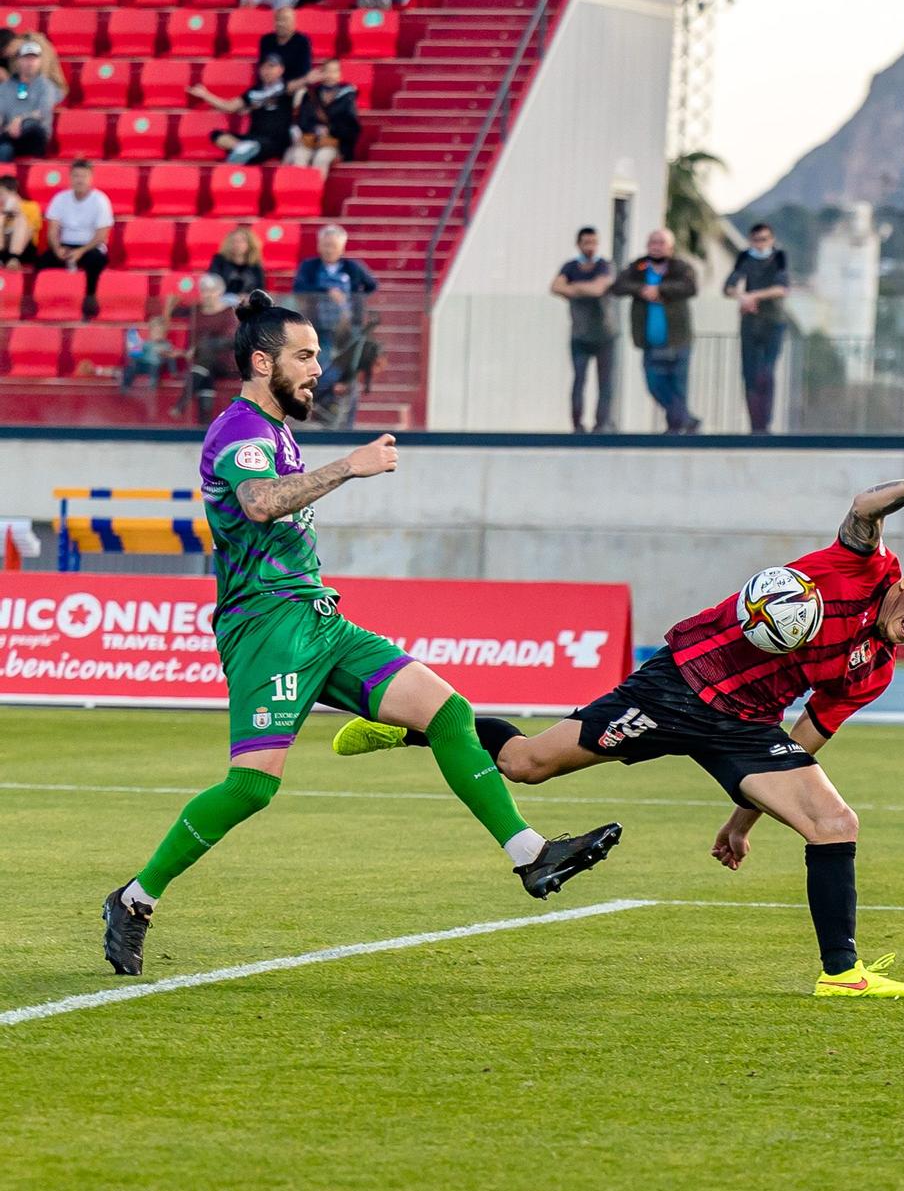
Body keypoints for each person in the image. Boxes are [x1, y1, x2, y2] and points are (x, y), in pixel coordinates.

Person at [102, 291, 623, 978]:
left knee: (448, 711)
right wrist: (350, 465)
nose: (320, 367)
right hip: (265, 626)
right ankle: (134, 899)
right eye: (305, 355)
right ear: (262, 362)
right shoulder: (238, 430)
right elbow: (259, 504)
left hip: (318, 617)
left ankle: (530, 853)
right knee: (252, 788)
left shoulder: (278, 429)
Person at [332, 464, 904, 999]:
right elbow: (864, 506)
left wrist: (743, 822)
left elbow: (807, 734)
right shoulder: (859, 565)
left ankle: (841, 972)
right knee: (528, 762)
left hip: (745, 727)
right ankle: (416, 726)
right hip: (680, 683)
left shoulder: (874, 668)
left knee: (836, 822)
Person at [612, 228, 700, 434]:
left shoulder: (680, 267)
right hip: (650, 340)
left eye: (661, 243)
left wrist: (661, 290)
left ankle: (675, 426)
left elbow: (690, 286)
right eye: (653, 242)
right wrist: (642, 290)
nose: (657, 247)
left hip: (677, 339)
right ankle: (687, 419)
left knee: (678, 385)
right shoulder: (639, 267)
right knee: (655, 384)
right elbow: (618, 286)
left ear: (670, 246)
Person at [550, 226, 619, 434]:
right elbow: (555, 287)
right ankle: (577, 424)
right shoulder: (570, 266)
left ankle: (602, 423)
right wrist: (583, 288)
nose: (590, 247)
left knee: (605, 383)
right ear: (579, 244)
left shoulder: (604, 265)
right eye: (586, 242)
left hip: (605, 334)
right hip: (580, 334)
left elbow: (599, 288)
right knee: (579, 380)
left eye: (594, 242)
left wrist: (574, 289)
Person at [723, 223, 790, 434]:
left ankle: (765, 421)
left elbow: (782, 288)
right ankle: (756, 424)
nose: (760, 244)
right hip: (751, 323)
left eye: (764, 239)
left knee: (766, 373)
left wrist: (754, 296)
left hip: (772, 321)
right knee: (750, 375)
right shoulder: (745, 258)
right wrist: (742, 297)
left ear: (771, 240)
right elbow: (729, 286)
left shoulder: (779, 257)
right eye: (756, 240)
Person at [190, 56, 298, 166]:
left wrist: (308, 78)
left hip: (275, 141)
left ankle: (244, 151)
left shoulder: (287, 89)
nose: (267, 71)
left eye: (271, 67)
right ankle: (241, 148)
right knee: (217, 135)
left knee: (261, 145)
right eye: (263, 68)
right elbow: (229, 106)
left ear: (281, 69)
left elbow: (300, 83)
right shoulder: (253, 92)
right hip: (253, 137)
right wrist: (205, 95)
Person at [37, 158, 114, 308]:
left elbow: (102, 235)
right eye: (76, 176)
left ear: (90, 178)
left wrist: (81, 251)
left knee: (96, 260)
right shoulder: (60, 198)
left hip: (90, 247)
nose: (80, 180)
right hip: (65, 245)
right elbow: (52, 230)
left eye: (83, 176)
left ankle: (90, 299)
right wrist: (57, 248)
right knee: (42, 262)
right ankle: (46, 302)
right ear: (70, 178)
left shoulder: (100, 200)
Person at [170, 274, 238, 422]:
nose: (207, 295)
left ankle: (182, 403)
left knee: (205, 356)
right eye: (204, 291)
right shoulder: (196, 310)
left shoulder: (228, 313)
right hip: (203, 362)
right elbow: (173, 312)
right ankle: (204, 422)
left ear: (220, 292)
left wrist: (200, 347)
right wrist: (176, 296)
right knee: (204, 372)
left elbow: (229, 341)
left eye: (212, 291)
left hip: (224, 361)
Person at [284, 59, 361, 169]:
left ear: (340, 75)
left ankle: (316, 186)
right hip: (310, 141)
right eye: (327, 71)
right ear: (321, 74)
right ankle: (299, 186)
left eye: (335, 71)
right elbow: (303, 121)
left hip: (334, 143)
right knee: (298, 156)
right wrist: (315, 129)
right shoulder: (310, 95)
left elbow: (351, 128)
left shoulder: (347, 97)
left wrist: (330, 130)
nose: (331, 75)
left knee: (321, 158)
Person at [0, 38, 61, 163]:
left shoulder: (46, 86)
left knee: (33, 128)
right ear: (19, 60)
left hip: (34, 135)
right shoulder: (6, 87)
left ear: (39, 62)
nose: (30, 62)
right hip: (9, 134)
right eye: (26, 58)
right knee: (4, 149)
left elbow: (43, 112)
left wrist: (20, 120)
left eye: (34, 58)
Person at [207, 225, 267, 305]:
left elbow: (260, 289)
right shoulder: (219, 261)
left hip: (248, 303)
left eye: (241, 241)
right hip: (223, 301)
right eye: (234, 241)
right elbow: (213, 283)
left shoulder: (255, 265)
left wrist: (248, 297)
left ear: (249, 244)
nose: (237, 244)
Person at [258, 6, 314, 83]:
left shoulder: (302, 42)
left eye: (284, 20)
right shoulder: (266, 40)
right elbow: (262, 68)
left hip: (293, 86)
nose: (280, 23)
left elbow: (304, 72)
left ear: (293, 22)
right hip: (269, 85)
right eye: (277, 20)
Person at [121, 318, 173, 391]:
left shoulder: (166, 344)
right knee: (131, 368)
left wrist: (164, 354)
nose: (158, 335)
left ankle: (153, 383)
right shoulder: (146, 343)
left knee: (154, 366)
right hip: (143, 364)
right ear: (150, 332)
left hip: (156, 366)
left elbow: (170, 357)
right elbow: (138, 355)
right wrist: (134, 353)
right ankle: (126, 385)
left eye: (160, 333)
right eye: (155, 332)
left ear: (165, 334)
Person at [1, 174, 41, 268]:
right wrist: (3, 214)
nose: (0, 198)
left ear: (13, 192)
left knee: (21, 220)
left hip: (25, 249)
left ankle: (14, 258)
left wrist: (18, 212)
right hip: (4, 248)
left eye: (2, 194)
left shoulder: (31, 207)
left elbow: (32, 229)